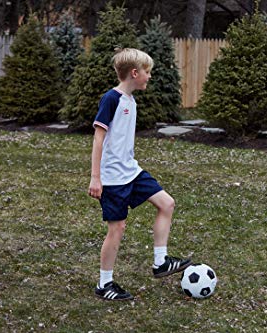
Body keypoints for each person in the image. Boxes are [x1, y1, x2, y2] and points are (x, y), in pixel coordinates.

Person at [88, 48, 192, 301]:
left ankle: (161, 263)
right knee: (117, 228)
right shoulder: (111, 99)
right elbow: (98, 139)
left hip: (132, 172)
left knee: (166, 203)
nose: (149, 76)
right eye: (147, 72)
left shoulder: (130, 100)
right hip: (112, 178)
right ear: (134, 73)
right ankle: (105, 284)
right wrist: (95, 177)